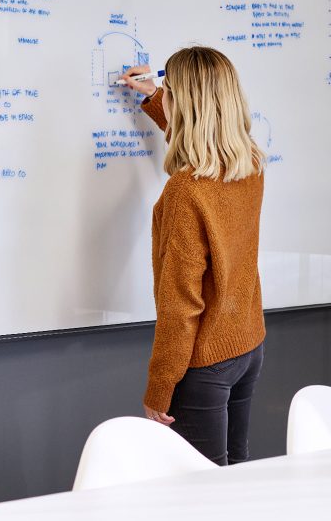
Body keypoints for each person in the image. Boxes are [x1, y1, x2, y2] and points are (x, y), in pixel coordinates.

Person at [121, 47, 266, 466]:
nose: (164, 93)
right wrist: (153, 98)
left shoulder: (186, 192)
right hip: (247, 344)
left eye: (169, 90)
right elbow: (203, 138)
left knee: (201, 493)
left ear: (186, 105)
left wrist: (159, 386)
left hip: (204, 364)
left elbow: (181, 304)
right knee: (235, 473)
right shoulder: (248, 162)